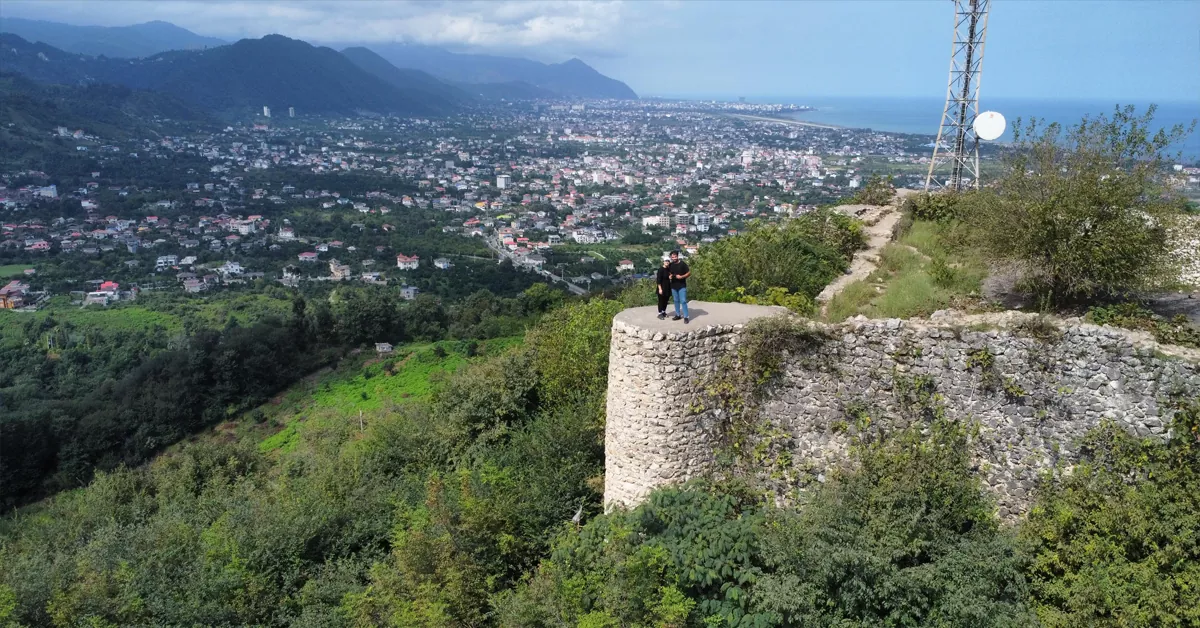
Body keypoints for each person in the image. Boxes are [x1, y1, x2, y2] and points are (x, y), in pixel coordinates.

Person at [668, 250, 690, 323]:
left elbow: (688, 273)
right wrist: (670, 276)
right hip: (673, 286)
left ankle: (686, 317)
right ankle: (678, 315)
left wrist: (682, 277)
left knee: (683, 301)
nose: (674, 258)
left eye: (675, 257)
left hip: (682, 285)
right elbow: (670, 273)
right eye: (672, 257)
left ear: (678, 256)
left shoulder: (683, 264)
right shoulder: (671, 265)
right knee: (676, 301)